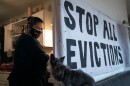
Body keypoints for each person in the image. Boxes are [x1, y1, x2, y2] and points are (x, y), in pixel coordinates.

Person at [8, 16, 53, 86]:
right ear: (29, 27)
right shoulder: (28, 39)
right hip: (25, 81)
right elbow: (43, 58)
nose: (40, 31)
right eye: (37, 28)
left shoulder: (25, 38)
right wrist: (50, 55)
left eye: (41, 29)